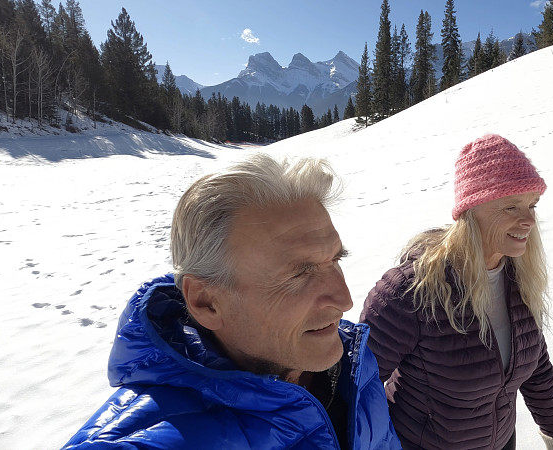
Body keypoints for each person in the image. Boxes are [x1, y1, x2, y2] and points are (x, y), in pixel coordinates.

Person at [64, 154, 401, 449]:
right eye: (299, 274)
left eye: (335, 260)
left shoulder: (355, 365)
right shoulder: (147, 441)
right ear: (206, 302)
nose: (344, 300)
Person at [360, 134, 553, 449]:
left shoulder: (518, 279)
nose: (529, 220)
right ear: (471, 210)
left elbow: (536, 368)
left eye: (532, 205)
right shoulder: (411, 292)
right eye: (511, 206)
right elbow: (358, 390)